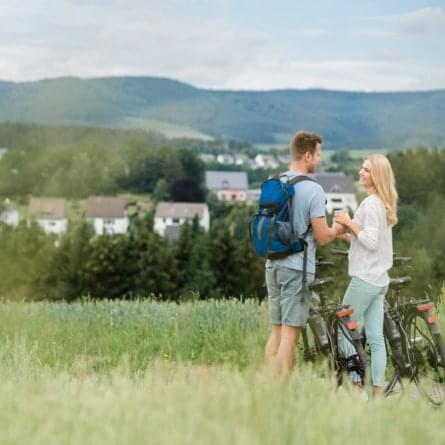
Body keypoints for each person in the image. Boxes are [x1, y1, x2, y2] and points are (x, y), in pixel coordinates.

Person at [264, 131, 342, 379]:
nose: (318, 160)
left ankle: (269, 387)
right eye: (317, 155)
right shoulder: (313, 189)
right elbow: (322, 236)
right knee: (290, 335)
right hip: (296, 269)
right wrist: (338, 229)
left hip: (272, 264)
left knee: (276, 332)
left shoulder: (274, 181)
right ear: (307, 155)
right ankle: (280, 394)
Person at [334, 154, 398, 398]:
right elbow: (368, 240)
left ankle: (358, 387)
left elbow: (370, 242)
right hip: (380, 280)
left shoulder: (371, 204)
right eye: (361, 168)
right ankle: (377, 394)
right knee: (375, 338)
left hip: (366, 280)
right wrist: (346, 233)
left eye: (366, 170)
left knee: (342, 328)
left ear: (377, 176)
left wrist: (349, 222)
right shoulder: (383, 203)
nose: (361, 172)